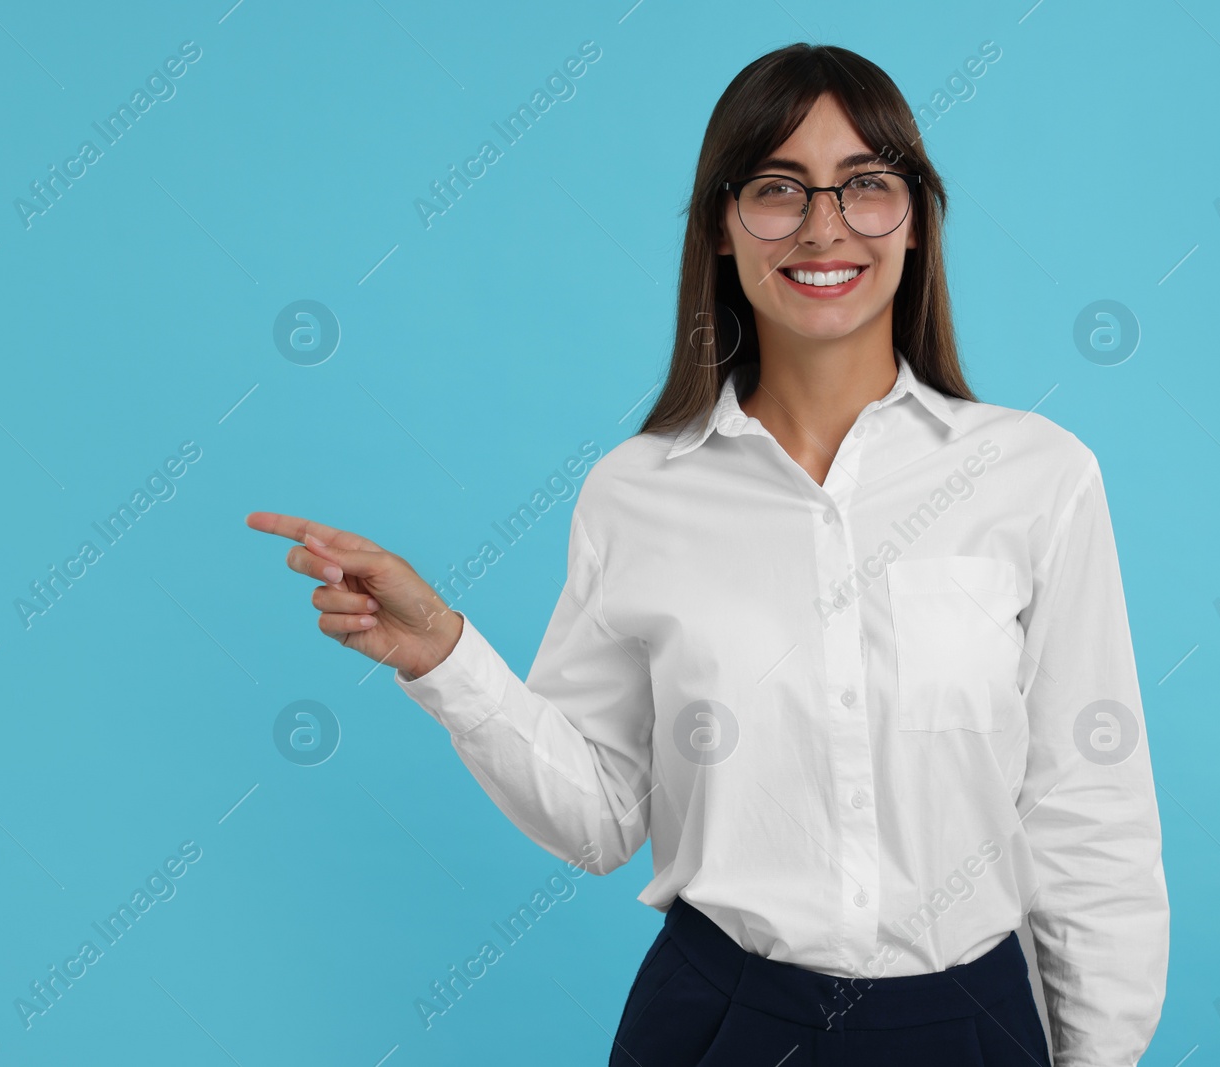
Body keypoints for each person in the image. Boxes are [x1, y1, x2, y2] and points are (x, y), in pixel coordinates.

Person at [247, 42, 1168, 1067]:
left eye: (866, 185)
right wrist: (443, 656)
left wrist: (1100, 1053)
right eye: (777, 188)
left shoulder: (1035, 476)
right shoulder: (637, 491)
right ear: (722, 229)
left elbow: (1090, 811)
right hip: (720, 1018)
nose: (824, 225)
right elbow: (598, 818)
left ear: (916, 220)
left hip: (968, 1023)